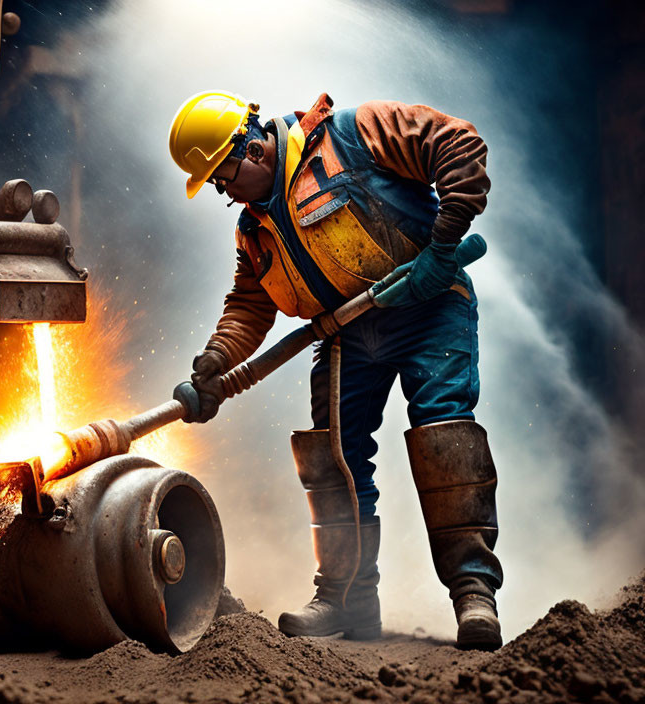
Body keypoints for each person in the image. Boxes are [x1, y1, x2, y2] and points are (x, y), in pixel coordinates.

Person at [167, 91, 503, 650]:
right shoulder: (256, 229)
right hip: (348, 334)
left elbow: (459, 143)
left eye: (222, 179)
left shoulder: (355, 134)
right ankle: (348, 599)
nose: (225, 193)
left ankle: (474, 593)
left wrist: (444, 244)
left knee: (444, 434)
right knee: (333, 457)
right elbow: (250, 306)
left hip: (430, 303)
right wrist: (215, 364)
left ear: (252, 148)